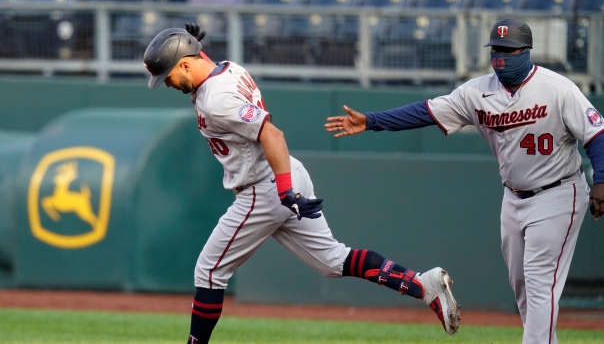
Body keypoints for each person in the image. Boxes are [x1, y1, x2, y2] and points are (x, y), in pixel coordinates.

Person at [143, 24, 461, 344]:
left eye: (167, 75)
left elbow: (272, 134)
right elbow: (205, 70)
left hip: (264, 187)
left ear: (185, 63)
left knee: (209, 272)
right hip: (285, 173)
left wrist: (285, 191)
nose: (166, 83)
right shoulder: (226, 68)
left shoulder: (216, 98)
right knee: (333, 261)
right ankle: (422, 285)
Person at [325, 18, 604, 344]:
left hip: (559, 192)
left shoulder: (558, 89)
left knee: (540, 280)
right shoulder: (477, 92)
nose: (501, 56)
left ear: (526, 51)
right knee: (522, 284)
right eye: (496, 50)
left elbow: (597, 134)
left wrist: (601, 179)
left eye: (508, 49)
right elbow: (426, 112)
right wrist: (372, 121)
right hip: (513, 196)